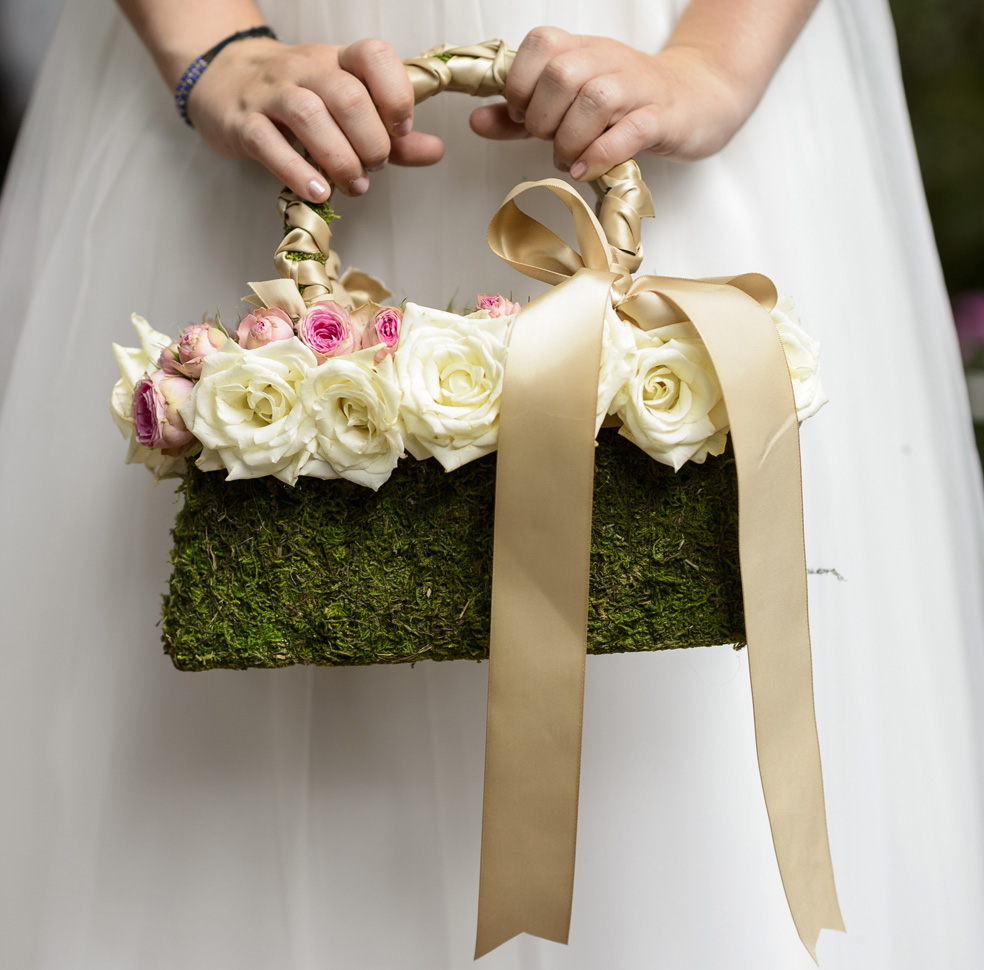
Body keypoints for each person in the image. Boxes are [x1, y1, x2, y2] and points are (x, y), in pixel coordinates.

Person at [1, 0, 982, 967]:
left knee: (684, 802)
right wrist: (208, 43)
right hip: (256, 77)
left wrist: (716, 59)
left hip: (678, 55)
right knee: (205, 808)